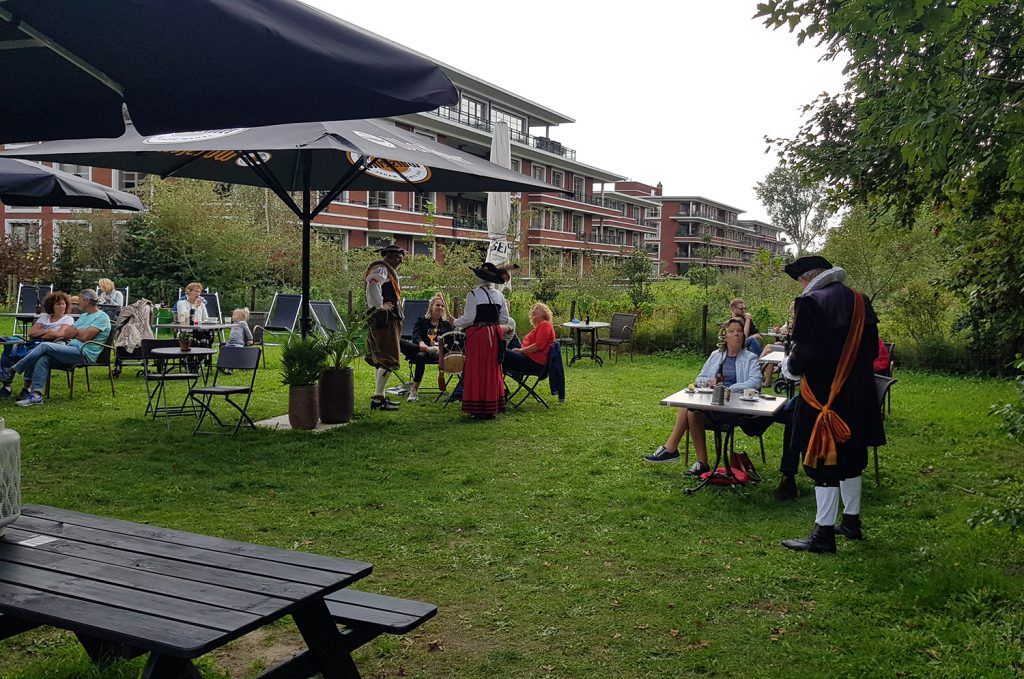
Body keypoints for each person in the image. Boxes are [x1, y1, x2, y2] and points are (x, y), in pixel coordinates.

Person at [779, 256, 886, 553]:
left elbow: (805, 352)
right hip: (859, 395)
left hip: (824, 398)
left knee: (821, 461)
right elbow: (872, 349)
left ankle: (823, 534)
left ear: (806, 279)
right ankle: (851, 522)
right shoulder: (861, 301)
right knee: (852, 459)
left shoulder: (812, 302)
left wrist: (789, 367)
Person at [645, 318, 761, 473]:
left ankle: (671, 449)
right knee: (692, 411)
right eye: (732, 331)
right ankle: (701, 463)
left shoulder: (750, 358)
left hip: (735, 408)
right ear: (724, 336)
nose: (737, 335)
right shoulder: (716, 355)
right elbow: (699, 379)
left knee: (688, 407)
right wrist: (709, 382)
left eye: (740, 331)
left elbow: (755, 381)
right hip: (712, 403)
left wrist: (729, 388)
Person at [0, 289, 111, 406]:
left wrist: (76, 332)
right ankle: (36, 395)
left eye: (79, 299)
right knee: (43, 358)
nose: (77, 302)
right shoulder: (84, 316)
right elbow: (67, 334)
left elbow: (85, 337)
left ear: (87, 301)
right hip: (70, 348)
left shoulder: (102, 317)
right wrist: (77, 332)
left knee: (44, 346)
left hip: (84, 353)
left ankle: (11, 371)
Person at [453, 262, 509, 418]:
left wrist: (455, 322)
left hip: (478, 335)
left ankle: (477, 408)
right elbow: (505, 318)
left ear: (479, 277)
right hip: (495, 334)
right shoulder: (499, 295)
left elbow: (469, 318)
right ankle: (491, 407)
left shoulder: (473, 294)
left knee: (476, 369)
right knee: (492, 369)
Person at [1, 291, 76, 399]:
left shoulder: (68, 319)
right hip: (35, 342)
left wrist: (42, 331)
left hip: (51, 346)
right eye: (58, 304)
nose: (62, 306)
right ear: (52, 306)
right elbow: (31, 333)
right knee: (10, 351)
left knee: (34, 354)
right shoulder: (44, 317)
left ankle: (26, 388)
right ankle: (7, 386)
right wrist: (48, 332)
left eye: (63, 304)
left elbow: (60, 334)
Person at [364, 244, 406, 411]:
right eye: (398, 258)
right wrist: (379, 306)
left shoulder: (384, 268)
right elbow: (372, 283)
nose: (400, 262)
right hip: (385, 319)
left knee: (381, 358)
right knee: (388, 357)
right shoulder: (381, 268)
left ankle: (378, 396)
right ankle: (377, 398)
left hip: (386, 318)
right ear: (390, 256)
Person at [399, 293, 454, 402]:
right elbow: (416, 335)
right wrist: (421, 343)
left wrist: (438, 345)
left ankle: (414, 389)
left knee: (419, 355)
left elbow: (450, 342)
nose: (440, 308)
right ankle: (414, 391)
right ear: (431, 307)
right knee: (400, 342)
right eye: (438, 305)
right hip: (423, 350)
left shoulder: (446, 325)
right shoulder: (422, 321)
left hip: (440, 354)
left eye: (442, 306)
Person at [503, 302, 555, 376]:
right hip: (528, 357)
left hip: (535, 363)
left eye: (537, 309)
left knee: (499, 350)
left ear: (544, 312)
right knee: (512, 336)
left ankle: (495, 381)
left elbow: (538, 346)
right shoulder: (540, 326)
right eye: (532, 309)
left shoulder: (545, 324)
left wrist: (521, 350)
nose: (533, 311)